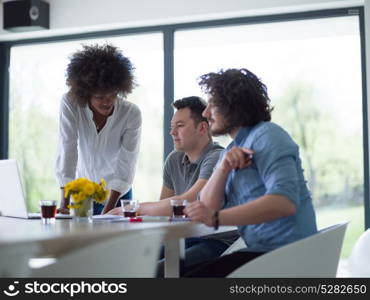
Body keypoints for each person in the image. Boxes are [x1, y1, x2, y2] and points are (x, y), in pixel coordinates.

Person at [184, 68, 317, 277]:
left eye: (213, 104)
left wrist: (216, 218)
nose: (205, 113)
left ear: (234, 106)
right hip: (263, 253)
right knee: (183, 272)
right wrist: (222, 168)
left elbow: (284, 203)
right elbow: (206, 206)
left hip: (286, 257)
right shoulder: (232, 150)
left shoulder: (268, 136)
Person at [108, 96, 239, 274]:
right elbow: (164, 206)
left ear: (202, 127)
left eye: (180, 126)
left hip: (216, 240)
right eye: (172, 127)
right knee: (130, 264)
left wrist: (132, 208)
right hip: (183, 238)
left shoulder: (216, 157)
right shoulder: (173, 160)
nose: (172, 133)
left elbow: (188, 200)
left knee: (157, 271)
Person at [55, 44, 141, 215]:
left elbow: (127, 162)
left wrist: (107, 212)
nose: (107, 102)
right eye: (99, 97)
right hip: (82, 192)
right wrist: (64, 204)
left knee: (114, 240)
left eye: (112, 95)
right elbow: (67, 149)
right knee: (82, 240)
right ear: (85, 93)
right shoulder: (71, 104)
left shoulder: (131, 113)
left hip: (117, 192)